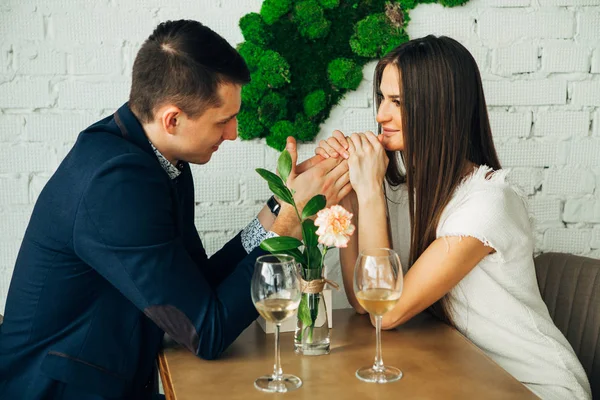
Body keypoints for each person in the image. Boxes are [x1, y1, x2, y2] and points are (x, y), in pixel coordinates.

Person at [0, 20, 350, 400]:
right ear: (173, 119)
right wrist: (289, 224)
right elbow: (207, 332)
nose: (233, 133)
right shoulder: (115, 183)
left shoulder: (157, 156)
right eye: (223, 120)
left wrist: (278, 206)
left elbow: (200, 287)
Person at [316, 35, 591, 400]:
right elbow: (365, 302)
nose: (381, 115)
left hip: (532, 385)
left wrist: (369, 192)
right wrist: (351, 194)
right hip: (464, 376)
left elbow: (389, 312)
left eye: (397, 102)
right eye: (382, 98)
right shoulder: (401, 194)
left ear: (439, 108)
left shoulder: (488, 202)